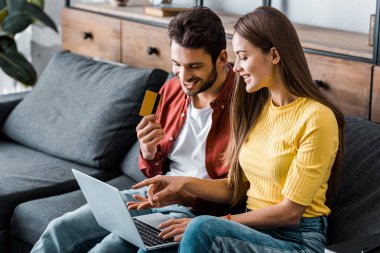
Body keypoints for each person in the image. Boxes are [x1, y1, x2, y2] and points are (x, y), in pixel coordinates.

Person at [132, 6, 344, 253]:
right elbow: (238, 185)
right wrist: (182, 184)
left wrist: (213, 222)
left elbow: (290, 213)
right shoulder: (258, 108)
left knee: (200, 230)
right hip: (249, 230)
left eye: (243, 57)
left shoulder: (317, 117)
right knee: (146, 246)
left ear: (274, 55)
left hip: (296, 238)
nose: (236, 67)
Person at [31, 7, 237, 253]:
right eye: (176, 64)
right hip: (151, 196)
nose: (184, 76)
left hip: (198, 210)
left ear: (222, 58)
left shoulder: (245, 102)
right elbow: (151, 167)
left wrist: (184, 194)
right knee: (60, 228)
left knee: (108, 249)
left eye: (194, 66)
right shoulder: (169, 89)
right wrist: (148, 152)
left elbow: (240, 190)